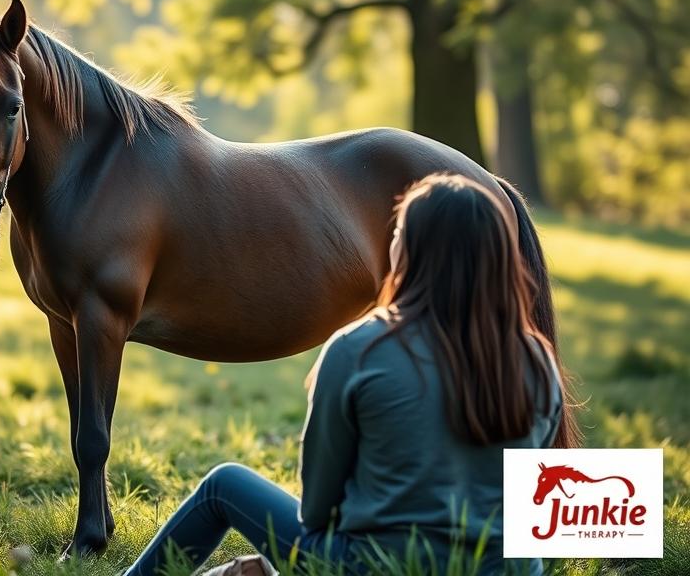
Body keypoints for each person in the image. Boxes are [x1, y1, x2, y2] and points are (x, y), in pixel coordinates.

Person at [123, 174, 567, 576]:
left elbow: (317, 511)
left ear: (406, 250)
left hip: (377, 568)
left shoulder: (360, 348)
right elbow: (533, 504)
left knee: (224, 485)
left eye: (397, 232)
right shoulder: (536, 359)